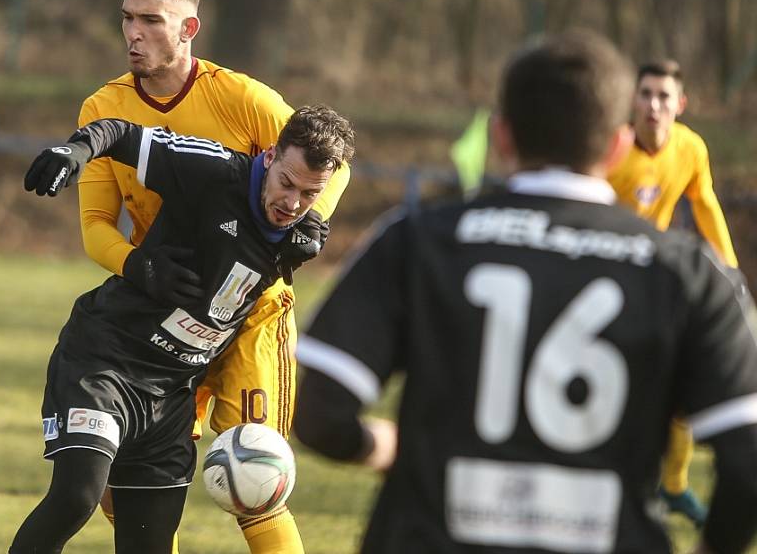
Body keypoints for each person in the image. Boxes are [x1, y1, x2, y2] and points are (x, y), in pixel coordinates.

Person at [293, 32, 757, 553]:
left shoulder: (417, 240)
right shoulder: (687, 274)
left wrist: (382, 447)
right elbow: (746, 463)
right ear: (617, 145)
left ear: (502, 137)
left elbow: (319, 413)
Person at [77, 0, 350, 553]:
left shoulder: (243, 98)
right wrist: (136, 265)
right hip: (164, 312)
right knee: (124, 491)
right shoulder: (104, 109)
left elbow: (331, 161)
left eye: (152, 19)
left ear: (188, 29)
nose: (134, 33)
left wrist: (317, 219)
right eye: (128, 17)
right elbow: (96, 226)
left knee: (256, 477)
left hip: (250, 313)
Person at [9, 105, 355, 554]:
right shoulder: (213, 171)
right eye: (287, 183)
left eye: (308, 195)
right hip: (106, 362)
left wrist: (313, 219)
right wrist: (74, 153)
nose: (291, 204)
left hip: (172, 393)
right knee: (76, 497)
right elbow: (118, 131)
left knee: (149, 544)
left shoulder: (298, 232)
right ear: (269, 157)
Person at [608, 59, 739, 527]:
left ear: (680, 105)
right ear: (632, 101)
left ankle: (676, 485)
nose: (653, 105)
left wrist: (732, 272)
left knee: (684, 377)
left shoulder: (690, 148)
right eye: (645, 94)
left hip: (655, 278)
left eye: (664, 96)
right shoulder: (613, 149)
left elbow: (704, 203)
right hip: (606, 281)